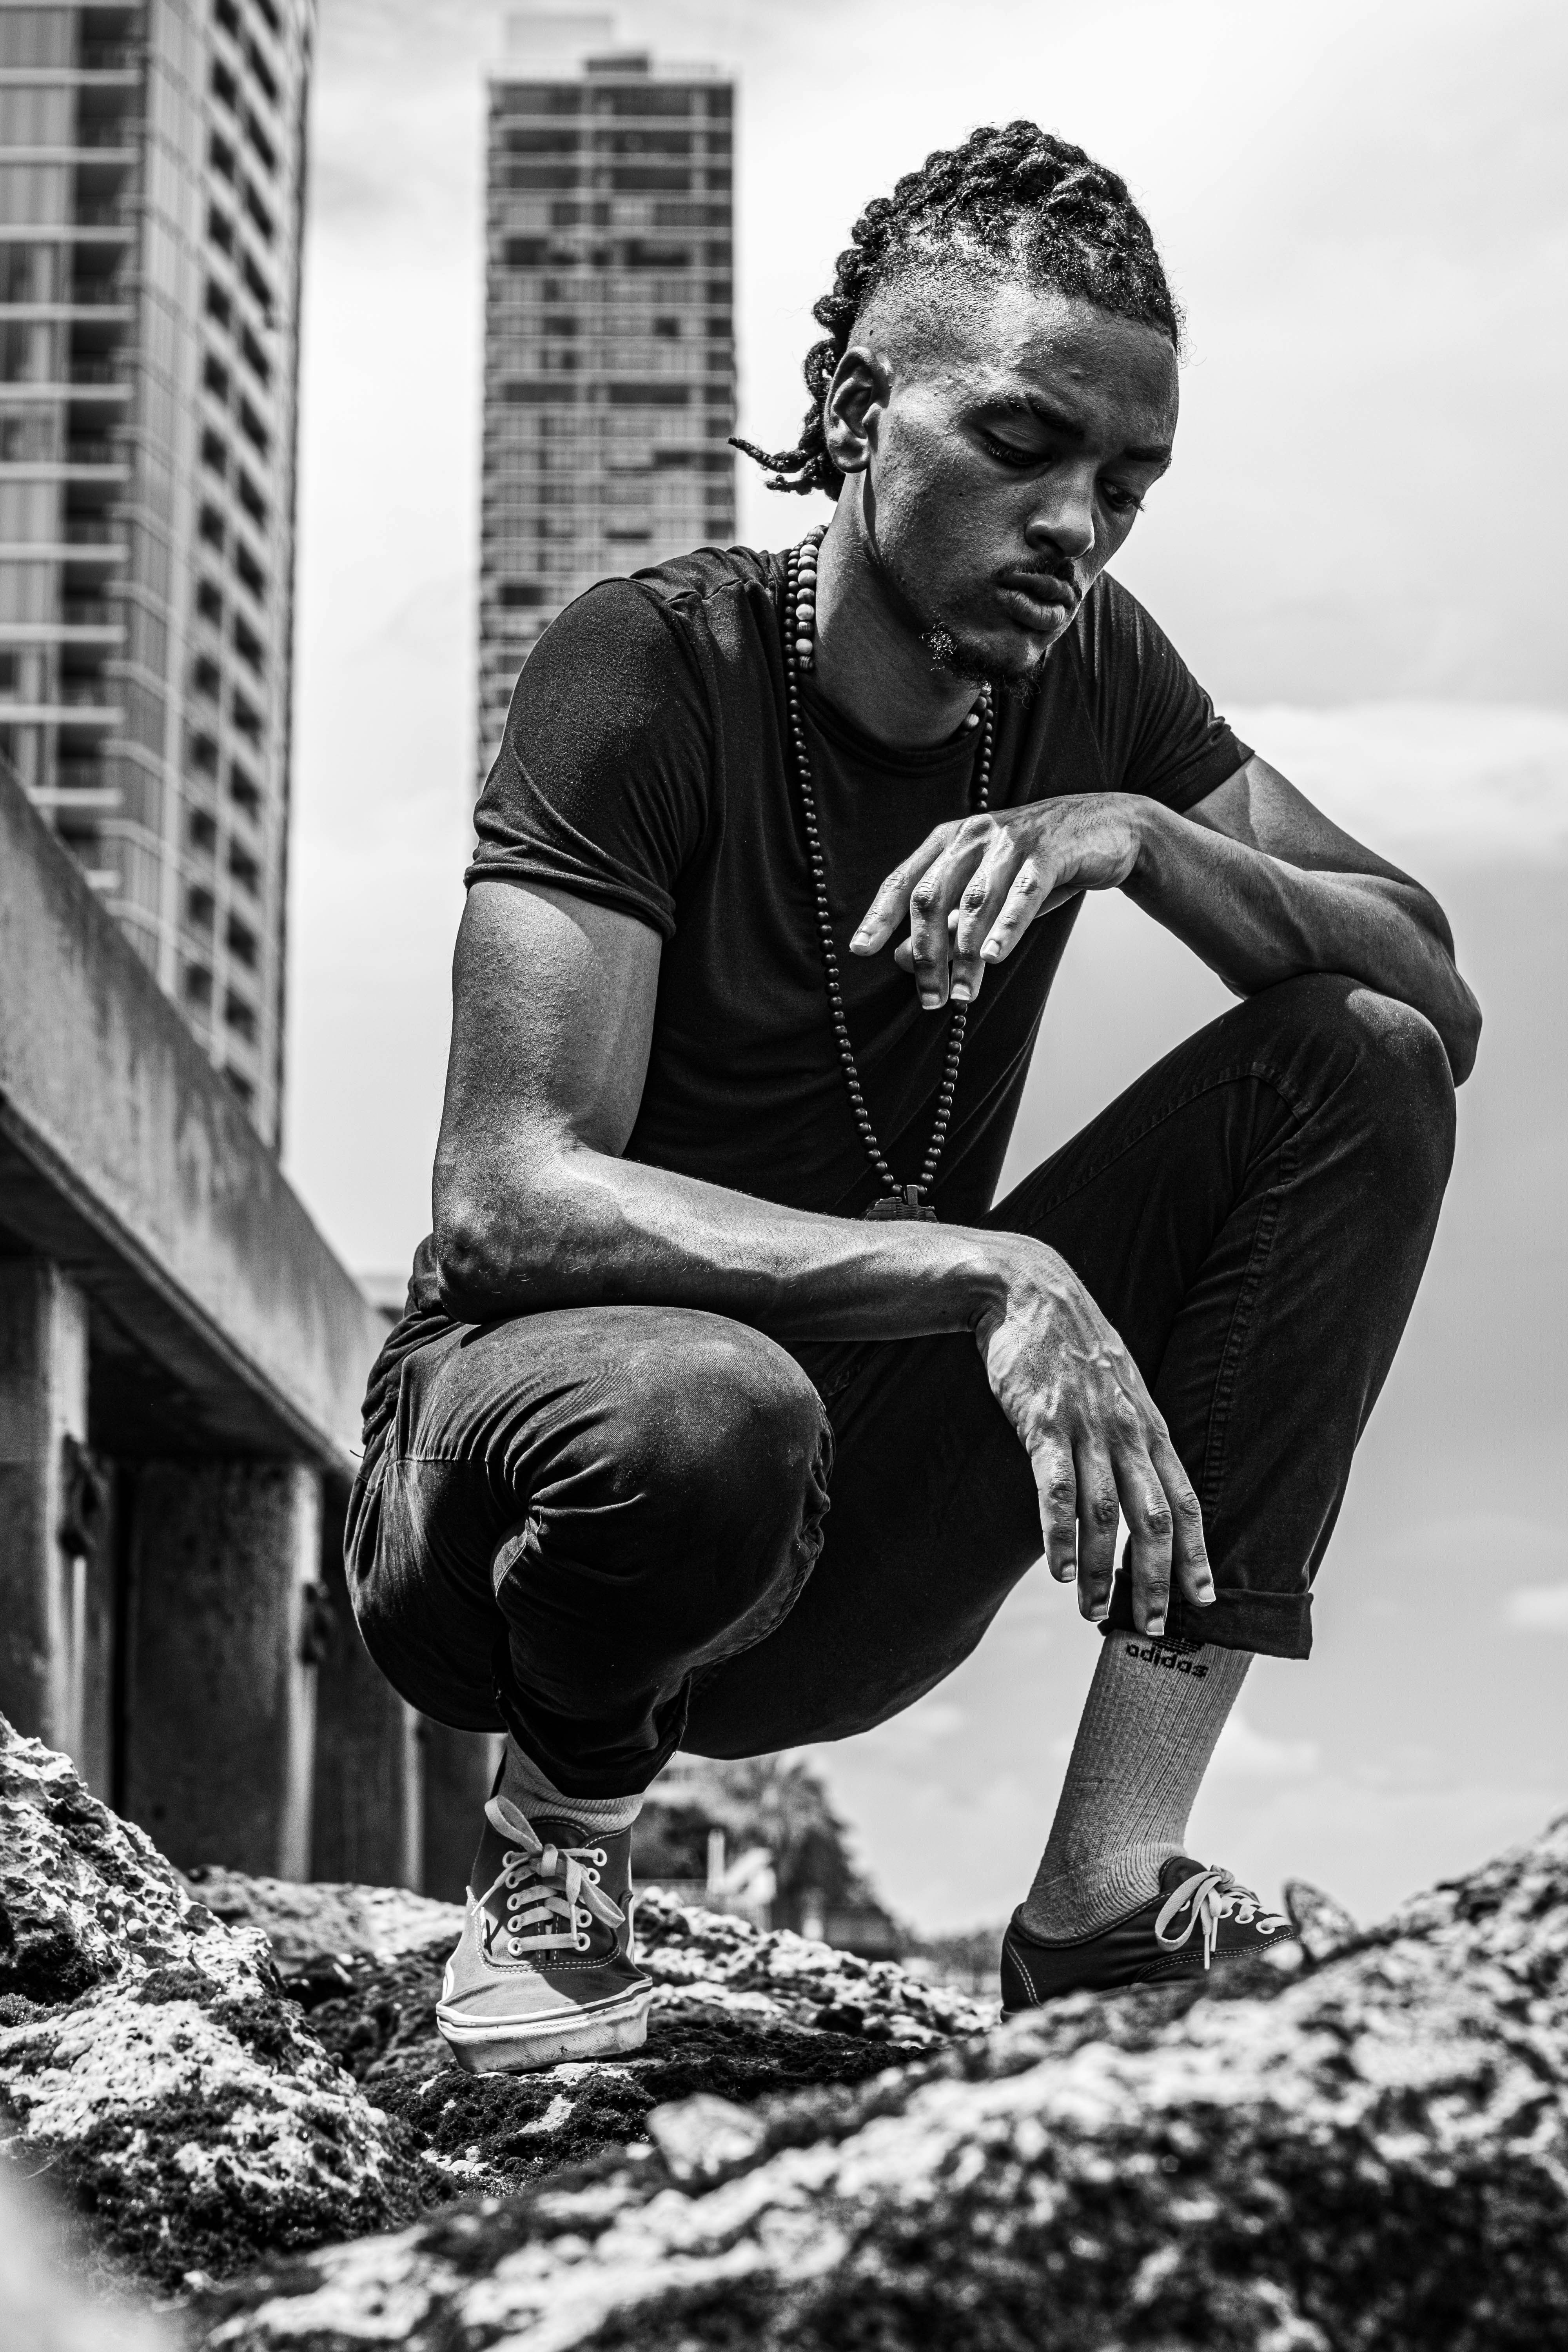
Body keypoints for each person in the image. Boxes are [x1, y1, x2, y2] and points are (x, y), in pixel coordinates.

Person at [348, 123, 1478, 2072]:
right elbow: (503, 1196)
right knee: (706, 1404)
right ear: (861, 404)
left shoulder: (1094, 673)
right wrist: (987, 1274)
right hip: (536, 1512)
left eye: (1127, 483)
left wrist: (1135, 832)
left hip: (849, 1552)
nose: (1078, 525)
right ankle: (553, 1886)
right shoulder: (644, 667)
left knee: (1353, 1065)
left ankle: (1104, 1904)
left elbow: (1431, 988)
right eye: (1026, 446)